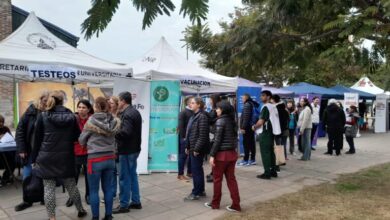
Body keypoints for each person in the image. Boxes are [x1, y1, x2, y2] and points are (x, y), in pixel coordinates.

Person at [32, 91, 87, 220]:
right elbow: (77, 136)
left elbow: (37, 139)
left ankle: (52, 218)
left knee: (49, 188)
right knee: (71, 185)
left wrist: (34, 158)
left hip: (46, 158)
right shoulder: (72, 116)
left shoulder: (43, 116)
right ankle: (80, 210)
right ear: (63, 101)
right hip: (66, 157)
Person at [79, 97, 121, 220]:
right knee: (108, 189)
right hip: (110, 158)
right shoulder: (113, 120)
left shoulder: (91, 121)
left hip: (95, 159)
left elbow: (81, 140)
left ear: (96, 107)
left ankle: (95, 217)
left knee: (93, 191)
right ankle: (108, 216)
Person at [14, 91, 49, 211]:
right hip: (30, 150)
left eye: (48, 101)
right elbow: (20, 131)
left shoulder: (50, 112)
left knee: (45, 175)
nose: (46, 103)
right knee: (28, 175)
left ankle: (44, 197)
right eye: (45, 101)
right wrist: (22, 149)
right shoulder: (30, 112)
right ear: (39, 100)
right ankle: (27, 200)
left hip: (45, 151)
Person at [204, 100, 241, 212]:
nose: (216, 110)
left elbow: (217, 140)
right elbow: (234, 139)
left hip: (221, 155)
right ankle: (236, 204)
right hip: (231, 154)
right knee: (231, 180)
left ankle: (215, 203)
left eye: (218, 108)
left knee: (217, 180)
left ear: (223, 109)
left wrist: (212, 155)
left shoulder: (220, 121)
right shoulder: (232, 121)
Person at [113, 92, 142, 214]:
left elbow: (126, 133)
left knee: (124, 178)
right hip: (133, 149)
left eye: (118, 101)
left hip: (126, 150)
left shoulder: (128, 114)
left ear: (123, 101)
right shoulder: (133, 111)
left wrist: (113, 131)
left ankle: (124, 205)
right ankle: (136, 201)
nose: (117, 103)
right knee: (132, 176)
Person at [66, 100, 94, 207]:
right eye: (79, 107)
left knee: (89, 175)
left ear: (88, 109)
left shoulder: (92, 119)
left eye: (83, 107)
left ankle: (88, 195)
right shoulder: (72, 118)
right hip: (76, 151)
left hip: (89, 151)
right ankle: (72, 196)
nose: (81, 109)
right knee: (74, 176)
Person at [184, 97, 210, 201]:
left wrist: (196, 149)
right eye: (190, 103)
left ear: (199, 105)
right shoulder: (193, 116)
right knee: (198, 170)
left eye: (193, 103)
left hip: (197, 149)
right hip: (193, 147)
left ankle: (196, 192)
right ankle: (201, 190)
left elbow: (202, 135)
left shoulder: (202, 117)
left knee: (196, 171)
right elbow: (190, 133)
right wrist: (187, 146)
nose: (190, 104)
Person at [252, 90, 277, 180]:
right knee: (271, 152)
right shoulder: (273, 106)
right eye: (261, 95)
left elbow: (261, 121)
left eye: (263, 96)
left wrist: (254, 127)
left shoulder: (266, 107)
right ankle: (273, 171)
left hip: (265, 132)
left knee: (265, 153)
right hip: (271, 132)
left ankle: (267, 173)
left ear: (268, 97)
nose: (261, 97)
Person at [239, 94, 259, 166]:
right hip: (251, 126)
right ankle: (252, 159)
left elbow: (246, 117)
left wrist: (243, 127)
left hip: (247, 127)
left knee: (246, 144)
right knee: (251, 143)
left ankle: (246, 160)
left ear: (246, 98)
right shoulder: (252, 104)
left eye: (242, 98)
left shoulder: (247, 104)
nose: (241, 100)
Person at [178, 96, 194, 182]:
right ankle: (180, 174)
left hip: (192, 138)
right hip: (185, 138)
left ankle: (189, 172)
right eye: (192, 102)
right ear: (188, 103)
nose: (193, 103)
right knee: (183, 156)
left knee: (191, 156)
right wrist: (184, 137)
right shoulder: (183, 112)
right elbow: (181, 126)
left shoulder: (194, 112)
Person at [206, 94, 221, 183]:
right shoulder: (213, 109)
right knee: (214, 154)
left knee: (214, 154)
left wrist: (206, 115)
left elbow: (212, 120)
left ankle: (214, 174)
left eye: (210, 99)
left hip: (215, 134)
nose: (209, 101)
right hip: (213, 133)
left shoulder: (216, 109)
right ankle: (213, 172)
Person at [108, 96, 120, 200]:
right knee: (111, 173)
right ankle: (112, 193)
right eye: (109, 103)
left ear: (117, 104)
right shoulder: (107, 116)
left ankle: (123, 194)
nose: (109, 105)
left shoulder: (120, 116)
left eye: (111, 103)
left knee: (120, 172)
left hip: (119, 148)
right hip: (109, 148)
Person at [272, 95, 289, 161]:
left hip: (279, 131)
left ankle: (280, 161)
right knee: (282, 145)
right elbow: (288, 119)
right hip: (285, 129)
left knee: (278, 146)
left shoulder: (276, 109)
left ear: (274, 100)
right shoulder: (285, 109)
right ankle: (283, 158)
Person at [0, 114, 15, 187]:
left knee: (12, 159)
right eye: (0, 122)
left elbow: (11, 138)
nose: (1, 123)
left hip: (7, 151)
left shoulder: (6, 129)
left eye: (2, 122)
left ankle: (6, 177)